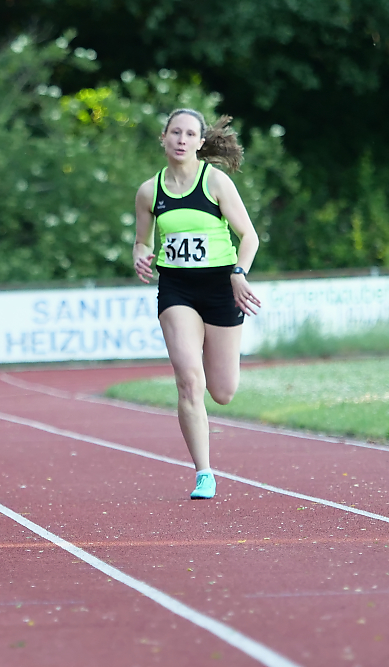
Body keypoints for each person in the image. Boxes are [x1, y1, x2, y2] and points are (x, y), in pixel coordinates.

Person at [132, 109, 261, 501]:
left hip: (222, 287)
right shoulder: (149, 192)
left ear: (200, 142)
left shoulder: (215, 182)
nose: (182, 140)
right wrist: (140, 253)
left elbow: (249, 236)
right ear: (164, 137)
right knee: (189, 381)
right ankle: (204, 473)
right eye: (176, 132)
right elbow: (142, 240)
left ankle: (211, 357)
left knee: (222, 391)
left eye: (190, 134)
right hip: (177, 290)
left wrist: (239, 271)